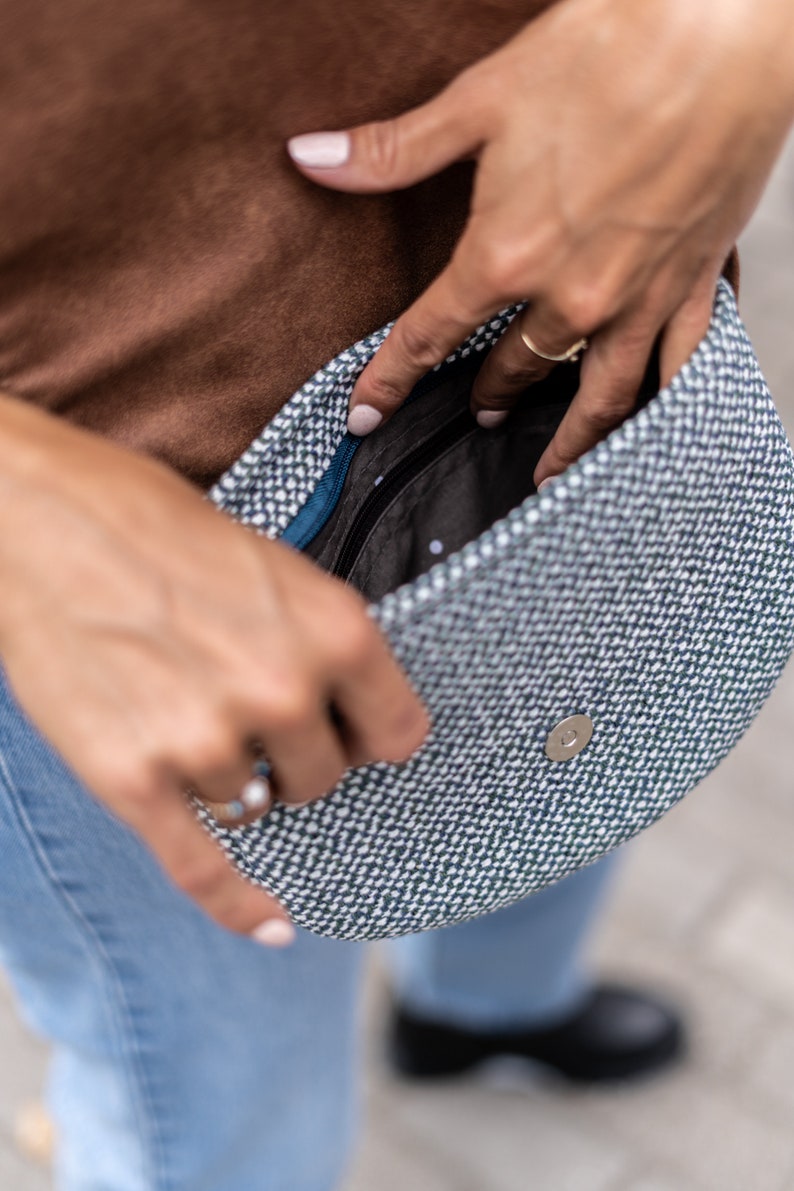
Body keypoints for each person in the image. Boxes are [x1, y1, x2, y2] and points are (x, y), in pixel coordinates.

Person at [0, 0, 791, 1187]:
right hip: (124, 548)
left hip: (587, 279)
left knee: (598, 750)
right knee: (229, 1107)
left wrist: (736, 32)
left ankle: (484, 1012)